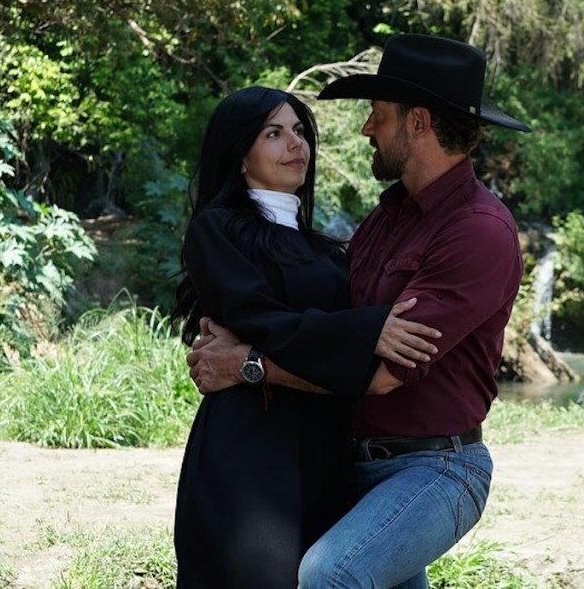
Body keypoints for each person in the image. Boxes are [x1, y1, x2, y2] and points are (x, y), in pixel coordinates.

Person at [188, 33, 530, 588]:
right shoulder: (386, 217)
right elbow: (326, 324)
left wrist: (247, 363)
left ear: (417, 123)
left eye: (377, 114)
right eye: (274, 132)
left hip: (433, 468)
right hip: (348, 465)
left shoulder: (476, 231)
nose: (367, 128)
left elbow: (379, 375)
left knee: (331, 576)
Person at [170, 85, 441, 588]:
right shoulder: (217, 229)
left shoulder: (325, 249)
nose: (295, 144)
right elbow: (256, 317)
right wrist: (369, 332)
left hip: (325, 449)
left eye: (299, 131)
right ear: (240, 155)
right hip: (251, 446)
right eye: (273, 133)